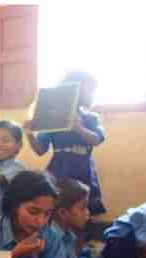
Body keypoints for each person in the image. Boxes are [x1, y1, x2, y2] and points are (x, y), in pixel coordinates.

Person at [24, 70, 108, 215]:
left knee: (83, 208)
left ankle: (81, 237)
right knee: (57, 206)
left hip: (83, 167)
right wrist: (29, 133)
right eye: (89, 89)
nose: (90, 94)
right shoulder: (53, 117)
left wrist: (79, 128)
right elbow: (40, 150)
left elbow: (97, 139)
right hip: (59, 167)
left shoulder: (90, 117)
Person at [52, 178, 129, 258]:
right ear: (63, 213)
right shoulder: (52, 235)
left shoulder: (69, 235)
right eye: (83, 208)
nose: (88, 212)